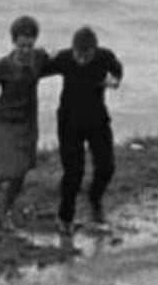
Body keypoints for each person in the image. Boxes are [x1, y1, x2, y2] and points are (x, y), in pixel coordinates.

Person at [46, 26, 123, 238]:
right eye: (78, 54)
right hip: (69, 123)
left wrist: (114, 81)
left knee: (106, 166)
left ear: (94, 51)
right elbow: (40, 69)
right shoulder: (64, 58)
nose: (81, 59)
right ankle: (65, 219)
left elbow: (117, 70)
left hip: (97, 120)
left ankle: (94, 197)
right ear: (72, 50)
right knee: (73, 173)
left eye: (86, 55)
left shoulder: (104, 57)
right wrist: (45, 55)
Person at [0, 15, 51, 221]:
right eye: (22, 46)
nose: (26, 51)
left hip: (28, 119)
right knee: (7, 168)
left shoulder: (40, 58)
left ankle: (4, 210)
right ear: (13, 42)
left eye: (30, 45)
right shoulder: (1, 66)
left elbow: (60, 64)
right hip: (6, 120)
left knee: (22, 169)